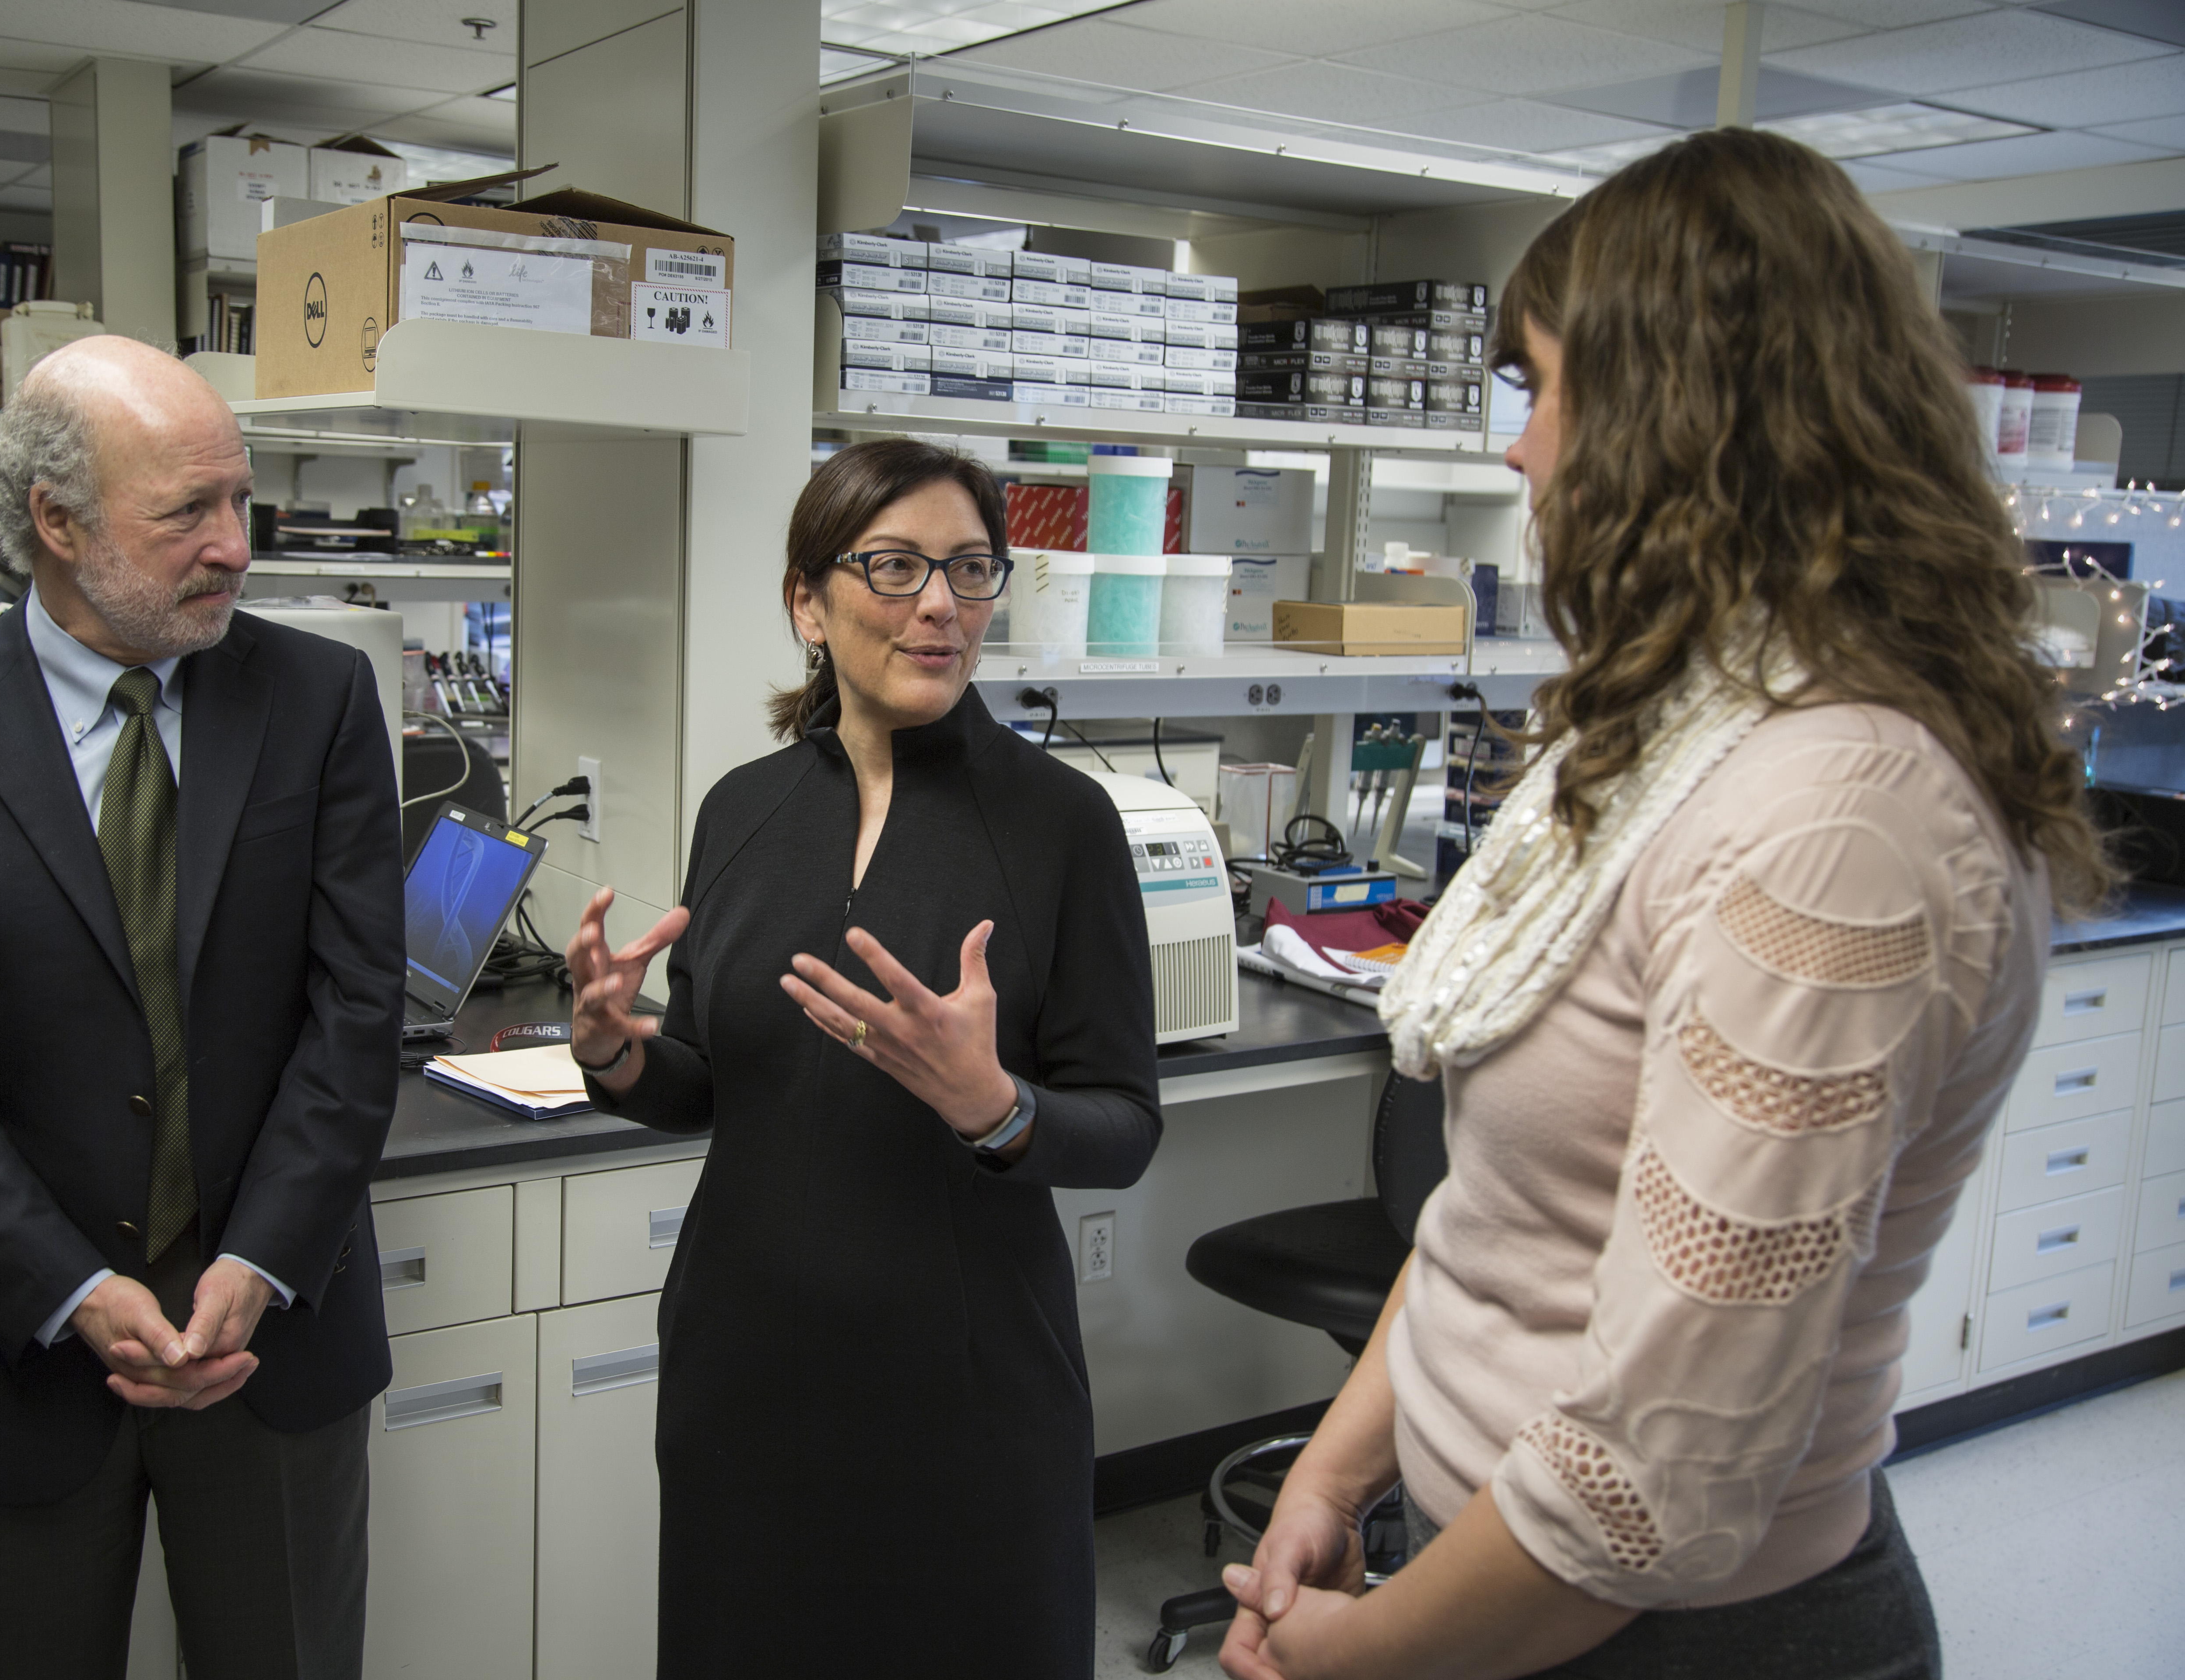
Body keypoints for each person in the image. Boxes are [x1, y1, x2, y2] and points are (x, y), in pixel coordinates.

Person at [1219, 128, 2106, 1680]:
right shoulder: (1680, 735)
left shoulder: (1838, 826)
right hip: (1487, 1576)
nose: (1518, 452)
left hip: (1663, 1636)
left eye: (1541, 390)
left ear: (1675, 414)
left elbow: (1651, 1492)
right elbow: (1511, 1213)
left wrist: (1345, 1664)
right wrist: (1340, 1467)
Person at [0, 336, 404, 1680]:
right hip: (18, 1341)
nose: (236, 545)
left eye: (243, 501)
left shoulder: (318, 698)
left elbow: (360, 1004)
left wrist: (261, 1258)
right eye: (190, 509)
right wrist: (67, 1285)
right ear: (57, 522)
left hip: (276, 1336)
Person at [563, 437, 1164, 1678]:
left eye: (968, 570)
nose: (939, 603)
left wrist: (993, 1108)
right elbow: (708, 1080)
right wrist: (619, 1055)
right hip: (748, 1377)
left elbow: (1124, 1123)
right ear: (808, 602)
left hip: (963, 1395)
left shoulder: (1064, 826)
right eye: (894, 567)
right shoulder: (744, 808)